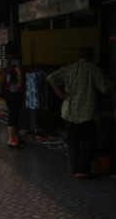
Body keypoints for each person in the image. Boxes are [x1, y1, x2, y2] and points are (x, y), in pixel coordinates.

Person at [47, 46, 115, 178]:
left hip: (69, 111)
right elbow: (106, 87)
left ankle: (75, 168)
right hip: (86, 113)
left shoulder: (70, 68)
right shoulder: (93, 69)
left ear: (79, 56)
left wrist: (60, 94)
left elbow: (50, 78)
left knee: (73, 141)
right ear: (92, 56)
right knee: (89, 142)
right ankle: (82, 170)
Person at [0, 42, 25, 148]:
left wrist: (4, 81)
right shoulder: (17, 61)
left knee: (12, 113)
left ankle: (16, 138)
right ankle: (11, 140)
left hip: (7, 91)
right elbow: (19, 73)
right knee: (13, 115)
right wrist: (19, 84)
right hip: (15, 91)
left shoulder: (4, 61)